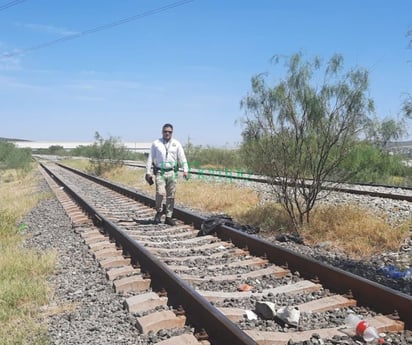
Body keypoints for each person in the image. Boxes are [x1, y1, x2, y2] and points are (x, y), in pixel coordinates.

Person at [145, 123, 188, 225]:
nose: (167, 133)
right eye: (165, 131)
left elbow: (182, 158)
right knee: (160, 193)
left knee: (171, 195)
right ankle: (159, 211)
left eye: (169, 132)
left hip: (172, 172)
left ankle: (168, 217)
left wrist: (185, 170)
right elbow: (150, 158)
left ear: (172, 132)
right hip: (160, 172)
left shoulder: (176, 144)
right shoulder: (156, 143)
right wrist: (148, 172)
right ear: (162, 132)